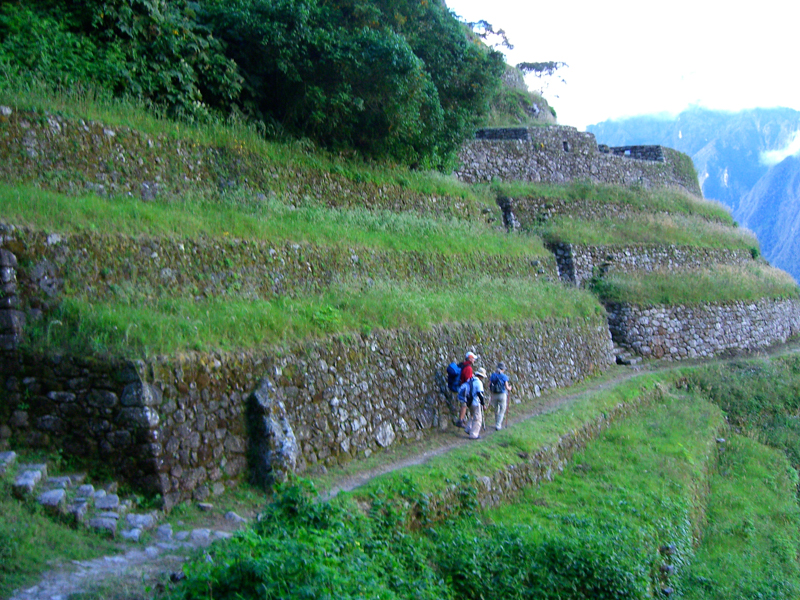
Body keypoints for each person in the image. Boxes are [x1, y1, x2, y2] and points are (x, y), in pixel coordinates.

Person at [463, 367, 487, 439]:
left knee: (472, 416)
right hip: (475, 402)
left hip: (468, 401)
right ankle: (474, 434)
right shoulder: (478, 383)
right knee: (477, 419)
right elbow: (480, 394)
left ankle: (468, 429)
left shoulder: (470, 380)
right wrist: (483, 404)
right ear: (481, 376)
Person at [489, 362, 512, 430]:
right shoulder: (504, 376)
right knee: (502, 410)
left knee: (496, 409)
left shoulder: (493, 375)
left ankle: (496, 422)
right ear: (503, 369)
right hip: (502, 394)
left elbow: (489, 385)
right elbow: (507, 387)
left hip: (494, 394)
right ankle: (498, 425)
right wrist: (510, 388)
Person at [456, 351, 477, 427]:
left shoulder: (463, 365)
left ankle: (462, 420)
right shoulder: (468, 368)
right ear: (470, 358)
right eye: (473, 358)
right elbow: (468, 380)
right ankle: (461, 421)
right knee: (464, 405)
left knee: (463, 404)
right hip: (465, 388)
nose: (474, 360)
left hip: (461, 386)